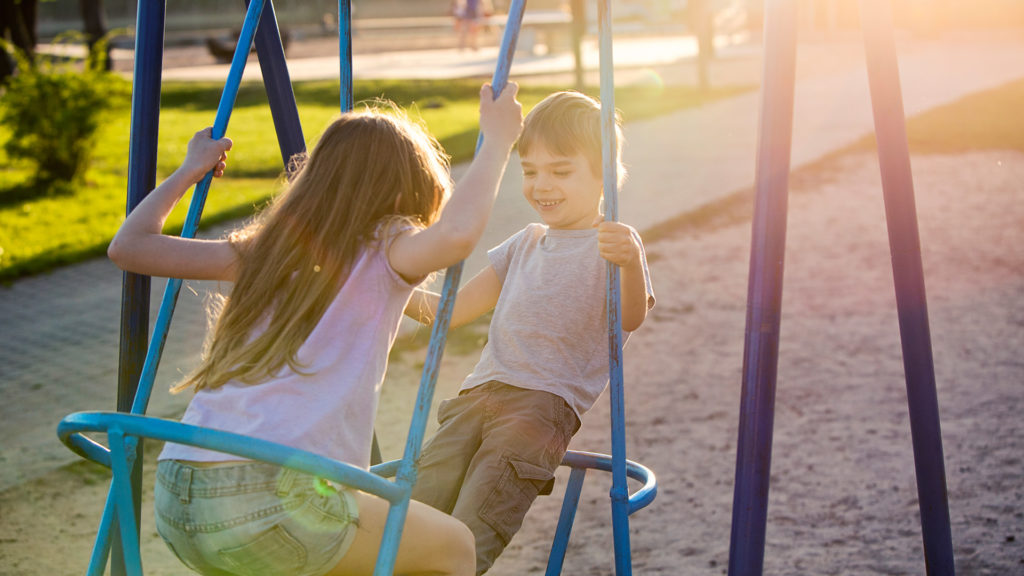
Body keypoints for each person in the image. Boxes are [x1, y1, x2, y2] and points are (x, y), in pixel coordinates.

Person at [106, 83, 524, 576]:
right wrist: (498, 142)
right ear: (403, 192)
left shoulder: (267, 251)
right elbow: (455, 236)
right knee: (453, 545)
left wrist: (187, 171)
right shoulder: (387, 246)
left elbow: (129, 247)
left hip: (179, 498)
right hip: (269, 500)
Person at [404, 90, 655, 575]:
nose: (542, 185)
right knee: (418, 507)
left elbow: (629, 319)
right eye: (530, 170)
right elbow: (449, 313)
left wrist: (630, 261)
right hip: (477, 395)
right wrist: (381, 285)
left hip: (541, 407)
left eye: (561, 171)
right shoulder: (524, 242)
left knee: (476, 520)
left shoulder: (613, 245)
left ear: (606, 175)